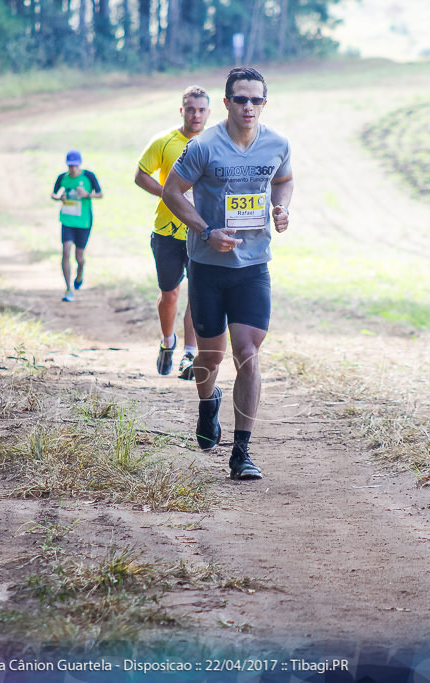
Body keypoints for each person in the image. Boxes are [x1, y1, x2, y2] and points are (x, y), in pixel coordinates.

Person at [161, 67, 293, 481]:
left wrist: (282, 208)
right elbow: (171, 191)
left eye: (256, 100)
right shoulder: (204, 146)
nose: (249, 106)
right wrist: (205, 230)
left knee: (249, 355)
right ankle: (207, 402)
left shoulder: (278, 144)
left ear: (264, 104)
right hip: (207, 266)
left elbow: (284, 180)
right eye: (241, 99)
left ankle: (241, 452)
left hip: (254, 267)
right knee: (210, 357)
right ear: (227, 103)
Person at [135, 85, 210, 379]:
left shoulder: (215, 142)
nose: (196, 115)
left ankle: (189, 355)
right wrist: (169, 194)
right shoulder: (164, 142)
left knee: (198, 295)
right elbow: (140, 175)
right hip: (166, 232)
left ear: (209, 112)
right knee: (169, 294)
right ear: (182, 111)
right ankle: (168, 342)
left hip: (201, 232)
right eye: (190, 109)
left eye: (201, 109)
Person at [51, 150, 102, 302]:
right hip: (67, 220)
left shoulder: (88, 176)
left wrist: (87, 194)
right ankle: (68, 289)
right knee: (65, 251)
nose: (73, 168)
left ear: (79, 164)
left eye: (75, 165)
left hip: (84, 221)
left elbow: (100, 194)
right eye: (70, 165)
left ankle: (80, 274)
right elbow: (53, 194)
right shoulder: (62, 178)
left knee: (79, 257)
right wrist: (60, 197)